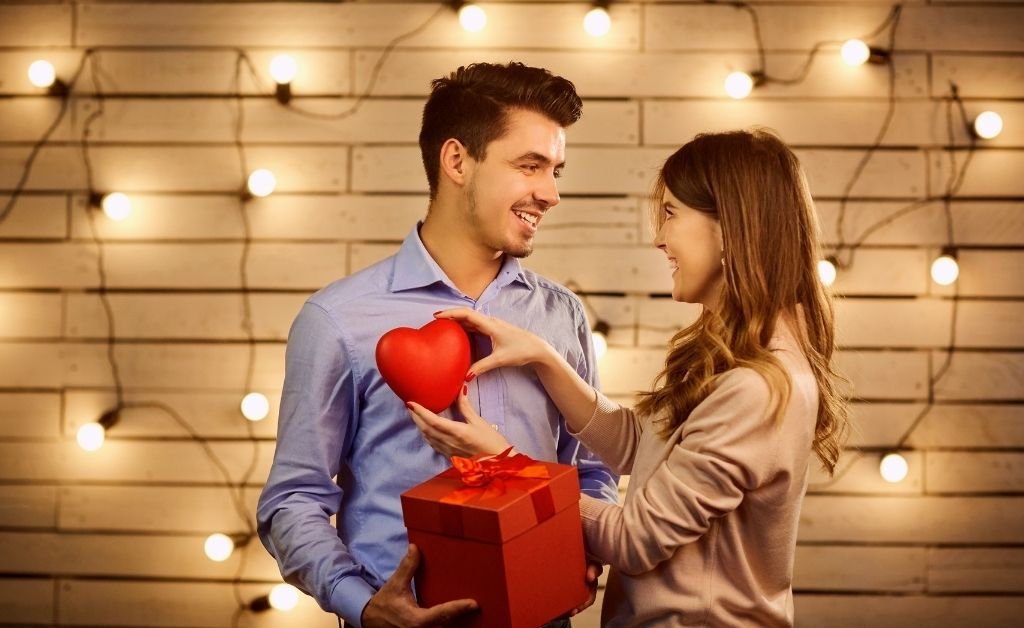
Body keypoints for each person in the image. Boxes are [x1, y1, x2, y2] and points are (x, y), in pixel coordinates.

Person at [408, 129, 849, 626]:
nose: (659, 237)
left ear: (731, 228)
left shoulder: (756, 387)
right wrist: (545, 360)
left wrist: (499, 466)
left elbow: (634, 539)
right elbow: (646, 447)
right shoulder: (739, 357)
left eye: (671, 214)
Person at [256, 61, 619, 628]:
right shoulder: (338, 318)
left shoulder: (560, 315)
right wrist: (363, 604)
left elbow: (592, 471)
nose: (549, 193)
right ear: (457, 160)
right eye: (530, 166)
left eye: (556, 171)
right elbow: (292, 499)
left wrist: (585, 548)